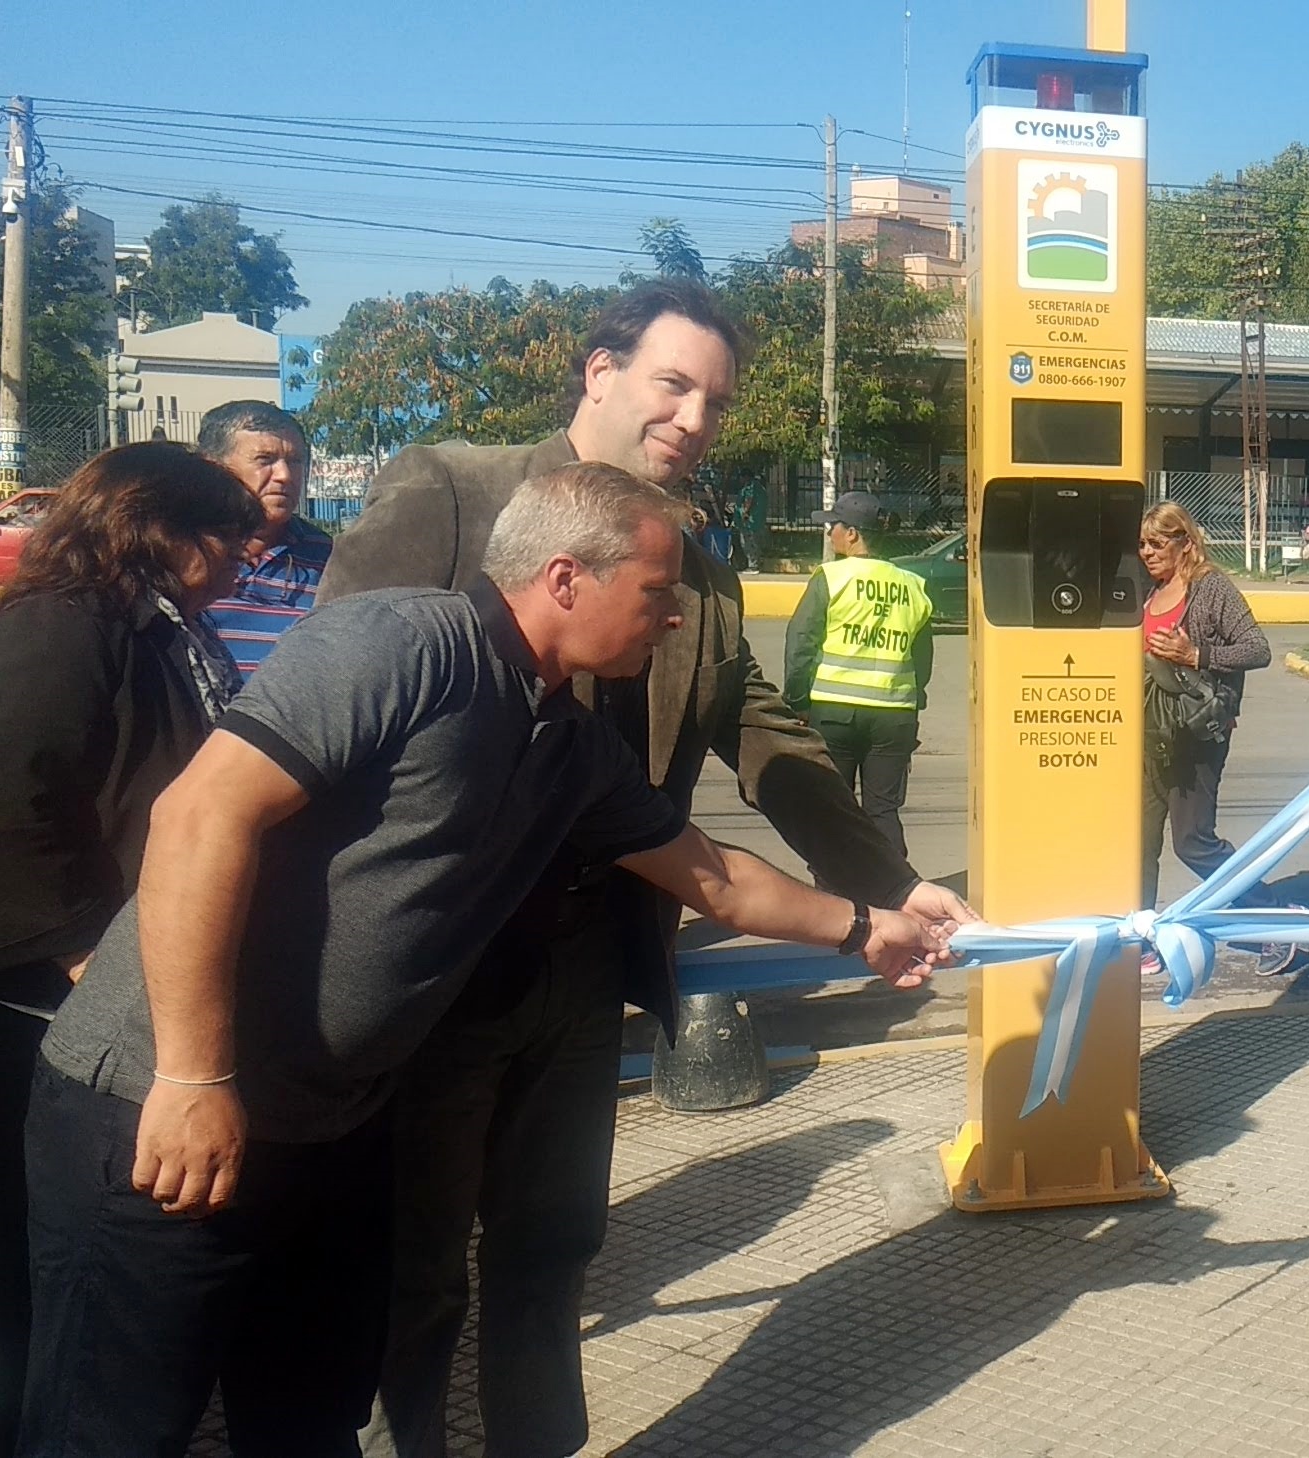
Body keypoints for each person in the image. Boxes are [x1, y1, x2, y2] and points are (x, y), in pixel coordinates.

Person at [16, 462, 946, 1457]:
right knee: (109, 1432)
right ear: (563, 579)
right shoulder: (401, 646)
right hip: (157, 1112)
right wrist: (195, 1076)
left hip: (329, 1137)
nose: (673, 617)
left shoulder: (565, 740)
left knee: (303, 1421)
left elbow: (712, 874)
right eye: (655, 591)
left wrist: (867, 925)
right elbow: (199, 817)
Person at [319, 279, 971, 1458]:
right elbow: (323, 715)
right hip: (427, 972)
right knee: (406, 1267)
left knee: (552, 1248)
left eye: (715, 401)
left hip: (583, 966)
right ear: (599, 371)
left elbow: (766, 733)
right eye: (674, 383)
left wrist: (884, 884)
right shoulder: (455, 493)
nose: (694, 417)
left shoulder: (699, 568)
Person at [0, 443, 260, 1456]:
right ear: (163, 529)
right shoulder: (63, 624)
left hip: (116, 972)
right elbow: (11, 795)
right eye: (227, 537)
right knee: (31, 1267)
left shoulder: (167, 627)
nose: (242, 560)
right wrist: (75, 946)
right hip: (37, 999)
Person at [1138, 504, 1281, 953]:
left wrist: (1196, 655)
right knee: (1136, 844)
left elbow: (1258, 649)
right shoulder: (1148, 589)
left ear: (1186, 543)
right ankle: (1141, 939)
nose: (1147, 553)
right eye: (1142, 544)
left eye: (1157, 544)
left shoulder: (1210, 588)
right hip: (1149, 735)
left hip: (1196, 736)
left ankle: (1270, 914)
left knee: (1193, 842)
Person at [784, 490, 934, 858]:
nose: (829, 531)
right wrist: (910, 700)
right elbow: (923, 659)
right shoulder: (912, 586)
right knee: (883, 809)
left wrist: (797, 701)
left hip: (835, 712)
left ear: (852, 533)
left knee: (833, 807)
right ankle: (896, 893)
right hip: (895, 716)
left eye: (833, 525)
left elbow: (801, 642)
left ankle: (834, 895)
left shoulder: (831, 578)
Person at [195, 400, 332, 674]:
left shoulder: (332, 561)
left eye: (295, 461)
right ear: (213, 467)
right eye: (265, 460)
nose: (285, 476)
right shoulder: (180, 551)